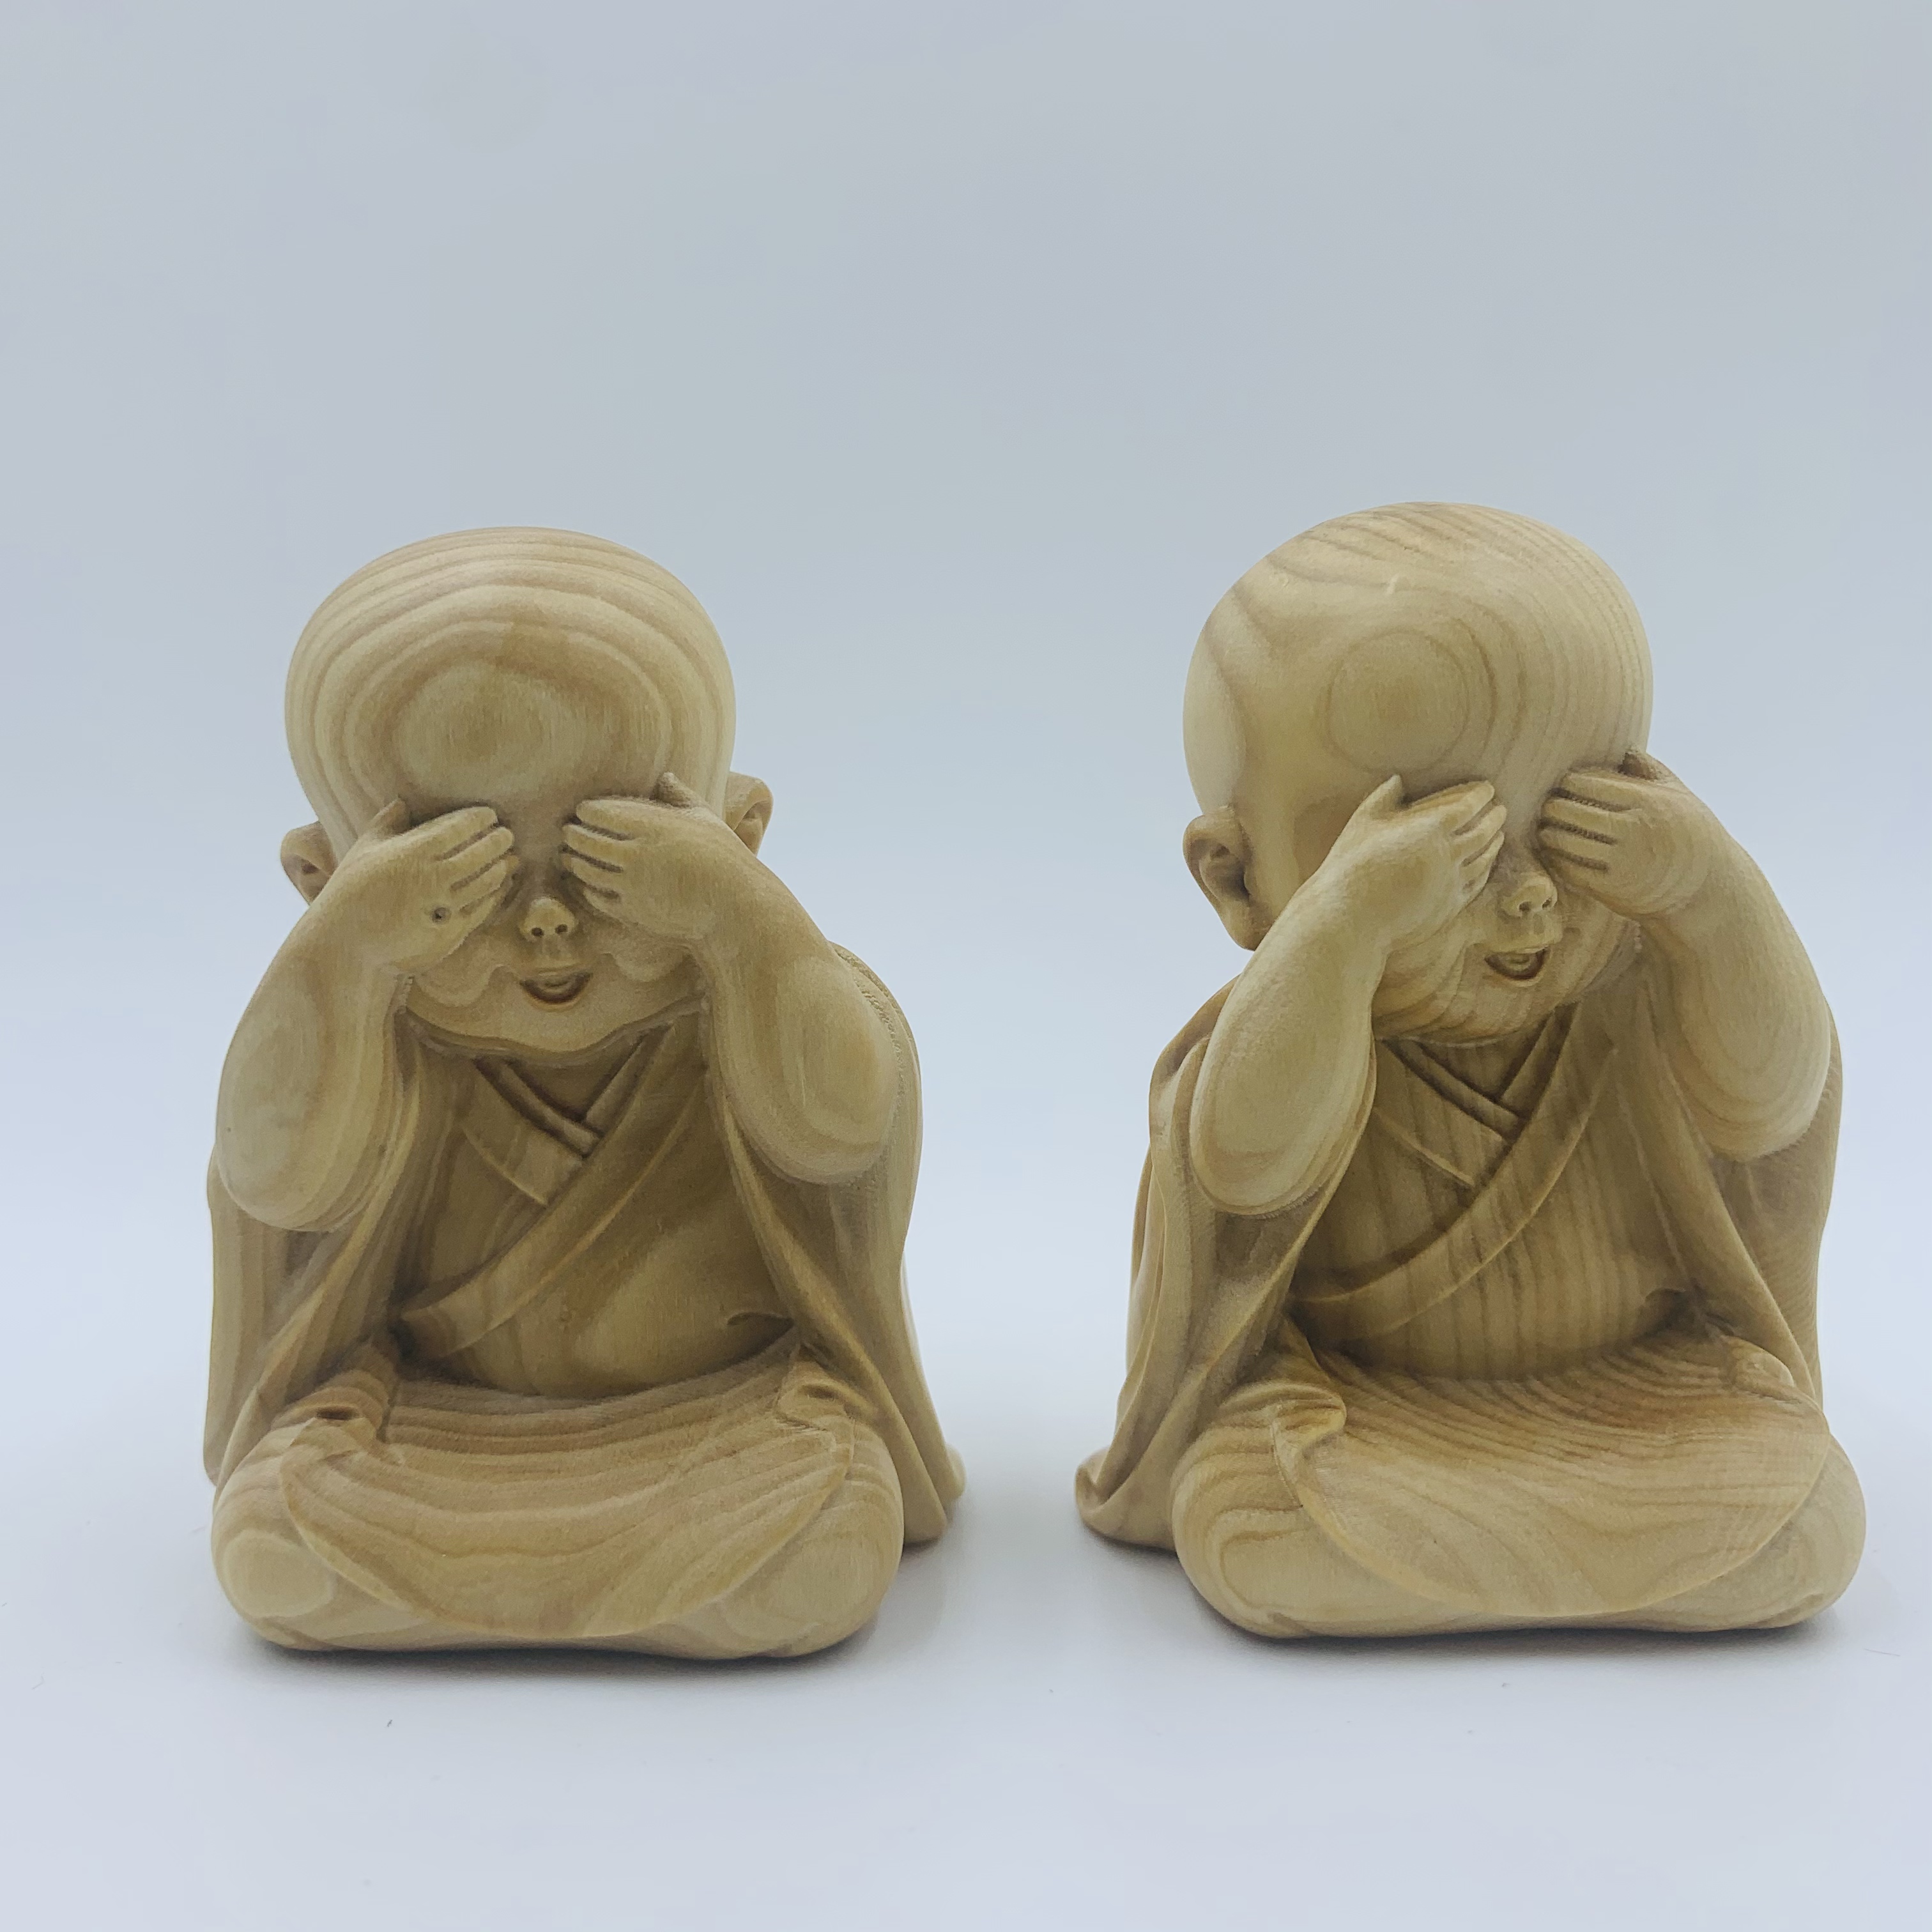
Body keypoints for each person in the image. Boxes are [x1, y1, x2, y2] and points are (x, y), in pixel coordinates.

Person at [1078, 503, 1862, 1635]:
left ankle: (1494, 1564)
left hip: (1643, 1409)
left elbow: (1773, 1107)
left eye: (1584, 822)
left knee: (1805, 1516)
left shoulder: (1644, 998)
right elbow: (1245, 1171)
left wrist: (1712, 895)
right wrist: (1349, 928)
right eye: (1449, 847)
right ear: (1236, 882)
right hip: (1360, 1422)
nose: (1532, 893)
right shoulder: (1290, 1034)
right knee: (1251, 1521)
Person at [208, 526, 960, 1655]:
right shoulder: (365, 1041)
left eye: (611, 859)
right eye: (463, 876)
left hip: (724, 1429)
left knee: (834, 1530)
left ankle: (487, 1597)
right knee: (270, 1538)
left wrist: (742, 926)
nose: (546, 921)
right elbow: (276, 1184)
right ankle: (621, 1594)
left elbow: (839, 1135)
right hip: (429, 1440)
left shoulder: (758, 1005)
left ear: (738, 835)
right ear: (325, 880)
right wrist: (343, 960)